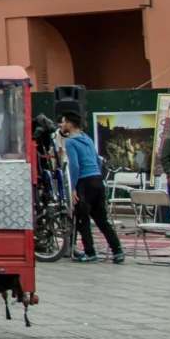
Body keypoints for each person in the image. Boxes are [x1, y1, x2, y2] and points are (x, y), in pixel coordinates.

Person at [60, 111, 124, 264]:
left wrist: (73, 187)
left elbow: (74, 165)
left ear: (69, 124)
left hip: (84, 181)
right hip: (97, 179)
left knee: (82, 218)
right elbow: (98, 159)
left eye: (62, 122)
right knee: (102, 219)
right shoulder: (86, 138)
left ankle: (90, 252)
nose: (61, 125)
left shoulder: (70, 142)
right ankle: (117, 251)